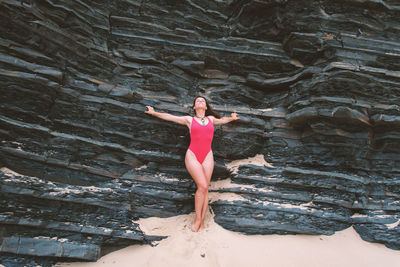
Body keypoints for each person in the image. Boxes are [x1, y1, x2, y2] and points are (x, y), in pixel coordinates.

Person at [145, 96, 239, 232]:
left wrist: (232, 118)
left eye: (203, 101)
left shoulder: (211, 120)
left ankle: (202, 219)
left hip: (208, 155)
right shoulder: (189, 120)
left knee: (205, 188)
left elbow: (222, 120)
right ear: (194, 107)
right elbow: (170, 117)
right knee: (202, 185)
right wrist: (154, 113)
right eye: (197, 101)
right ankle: (198, 219)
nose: (200, 101)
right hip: (193, 155)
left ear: (206, 107)